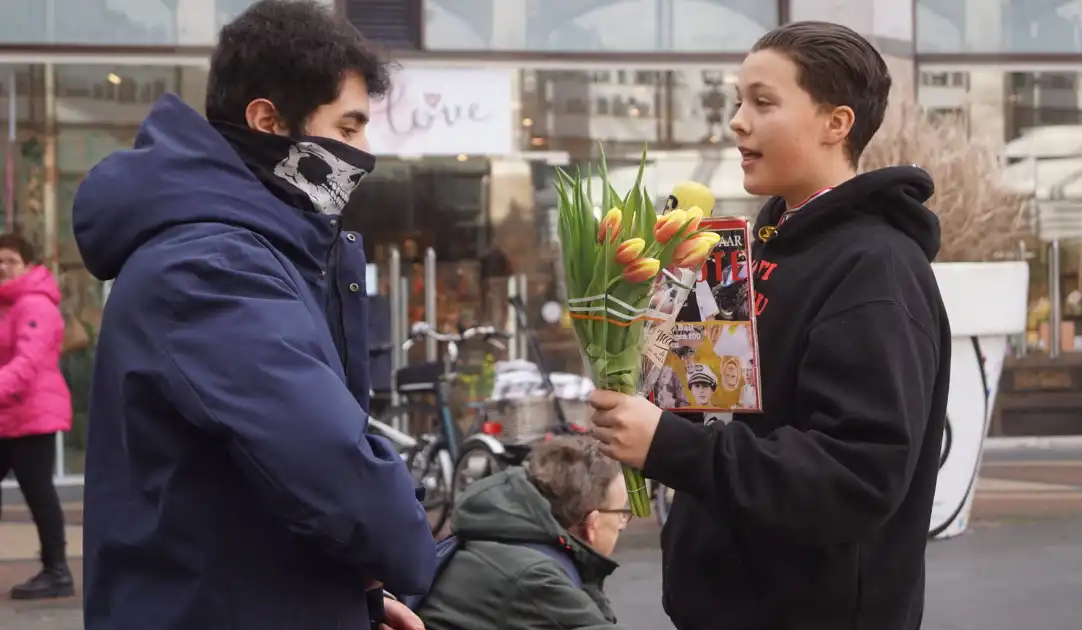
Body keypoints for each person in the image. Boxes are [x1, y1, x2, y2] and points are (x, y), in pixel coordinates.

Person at [71, 2, 436, 629]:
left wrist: (358, 598)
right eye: (347, 129)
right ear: (268, 120)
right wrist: (404, 552)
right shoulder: (211, 264)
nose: (364, 152)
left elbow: (254, 478)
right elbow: (322, 459)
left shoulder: (254, 249)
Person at [587, 21, 951, 630]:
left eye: (763, 102)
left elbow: (856, 475)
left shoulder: (876, 268)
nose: (737, 120)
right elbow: (726, 409)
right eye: (738, 100)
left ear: (837, 123)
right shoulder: (753, 249)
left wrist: (668, 445)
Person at [417, 436, 629, 630]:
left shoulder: (507, 535)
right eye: (622, 512)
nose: (623, 523)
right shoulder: (535, 578)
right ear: (592, 523)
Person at [0, 234, 73, 600]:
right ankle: (55, 569)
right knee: (39, 493)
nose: (2, 267)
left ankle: (57, 571)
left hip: (32, 416)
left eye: (10, 260)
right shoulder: (7, 304)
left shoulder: (35, 305)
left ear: (28, 266)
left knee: (39, 493)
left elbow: (26, 363)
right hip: (5, 415)